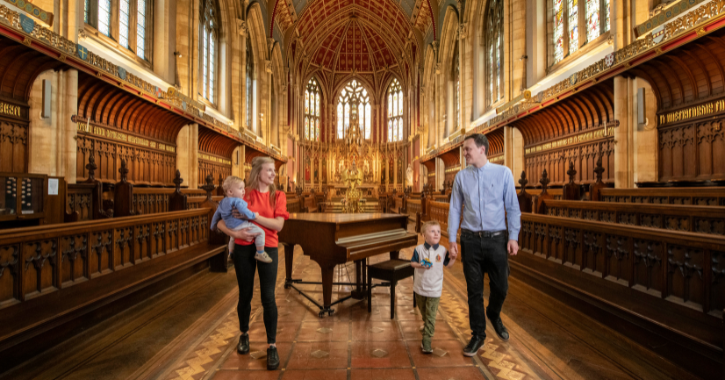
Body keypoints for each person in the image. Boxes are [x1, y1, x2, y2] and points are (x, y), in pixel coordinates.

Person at [447, 133, 521, 357]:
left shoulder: (503, 173)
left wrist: (513, 236)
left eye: (468, 149)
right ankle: (478, 334)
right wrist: (452, 239)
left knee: (501, 286)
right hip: (470, 240)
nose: (464, 153)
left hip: (497, 239)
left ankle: (494, 313)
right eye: (464, 149)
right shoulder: (461, 177)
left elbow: (512, 206)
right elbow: (454, 209)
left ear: (481, 149)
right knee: (474, 291)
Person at [215, 156, 289, 371]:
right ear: (258, 173)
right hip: (242, 246)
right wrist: (234, 232)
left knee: (268, 296)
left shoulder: (278, 196)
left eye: (274, 170)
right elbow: (219, 219)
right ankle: (244, 334)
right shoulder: (242, 192)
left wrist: (254, 217)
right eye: (269, 170)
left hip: (269, 247)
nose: (274, 174)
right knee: (245, 293)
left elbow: (278, 225)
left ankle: (272, 345)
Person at [410, 220, 456, 353]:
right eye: (432, 231)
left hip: (435, 288)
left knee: (431, 315)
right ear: (424, 235)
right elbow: (412, 263)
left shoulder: (442, 250)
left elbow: (448, 265)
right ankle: (426, 326)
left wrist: (453, 258)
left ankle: (427, 340)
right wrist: (420, 265)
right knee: (424, 311)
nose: (436, 234)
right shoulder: (418, 249)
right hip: (419, 287)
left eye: (439, 232)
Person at [210, 175, 272, 263]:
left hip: (229, 226)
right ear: (230, 191)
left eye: (243, 188)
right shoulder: (237, 201)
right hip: (239, 224)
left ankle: (230, 253)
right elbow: (244, 211)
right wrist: (254, 215)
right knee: (261, 232)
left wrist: (212, 225)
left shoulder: (222, 201)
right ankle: (260, 253)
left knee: (232, 237)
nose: (243, 191)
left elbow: (216, 215)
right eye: (240, 188)